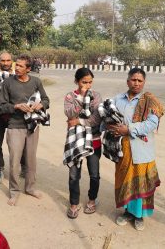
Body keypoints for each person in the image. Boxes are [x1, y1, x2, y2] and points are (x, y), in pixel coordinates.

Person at [108, 68, 164, 231]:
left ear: (144, 83)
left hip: (142, 149)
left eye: (140, 80)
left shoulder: (150, 100)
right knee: (125, 180)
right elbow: (109, 119)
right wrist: (111, 127)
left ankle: (139, 215)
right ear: (128, 81)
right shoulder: (118, 99)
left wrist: (129, 129)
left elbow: (151, 124)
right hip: (122, 149)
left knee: (141, 183)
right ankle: (127, 212)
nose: (136, 83)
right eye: (133, 80)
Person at [0, 54, 50, 206]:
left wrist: (40, 105)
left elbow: (46, 100)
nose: (16, 68)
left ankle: (30, 188)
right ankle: (14, 192)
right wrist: (16, 106)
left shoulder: (36, 81)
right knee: (14, 160)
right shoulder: (7, 83)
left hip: (32, 126)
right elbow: (2, 106)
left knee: (31, 159)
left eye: (21, 66)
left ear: (28, 69)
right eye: (17, 65)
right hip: (15, 125)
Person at [64, 68, 102, 219]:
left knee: (94, 174)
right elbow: (69, 113)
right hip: (75, 141)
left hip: (94, 140)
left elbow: (97, 118)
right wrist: (82, 98)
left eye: (90, 82)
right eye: (84, 82)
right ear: (76, 81)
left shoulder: (96, 95)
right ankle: (74, 203)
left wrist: (78, 121)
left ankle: (92, 200)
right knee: (74, 175)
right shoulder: (69, 96)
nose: (87, 85)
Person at [0, 51, 25, 184]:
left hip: (14, 115)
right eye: (3, 60)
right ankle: (0, 169)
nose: (6, 63)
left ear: (12, 61)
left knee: (19, 145)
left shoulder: (17, 74)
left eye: (8, 60)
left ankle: (23, 167)